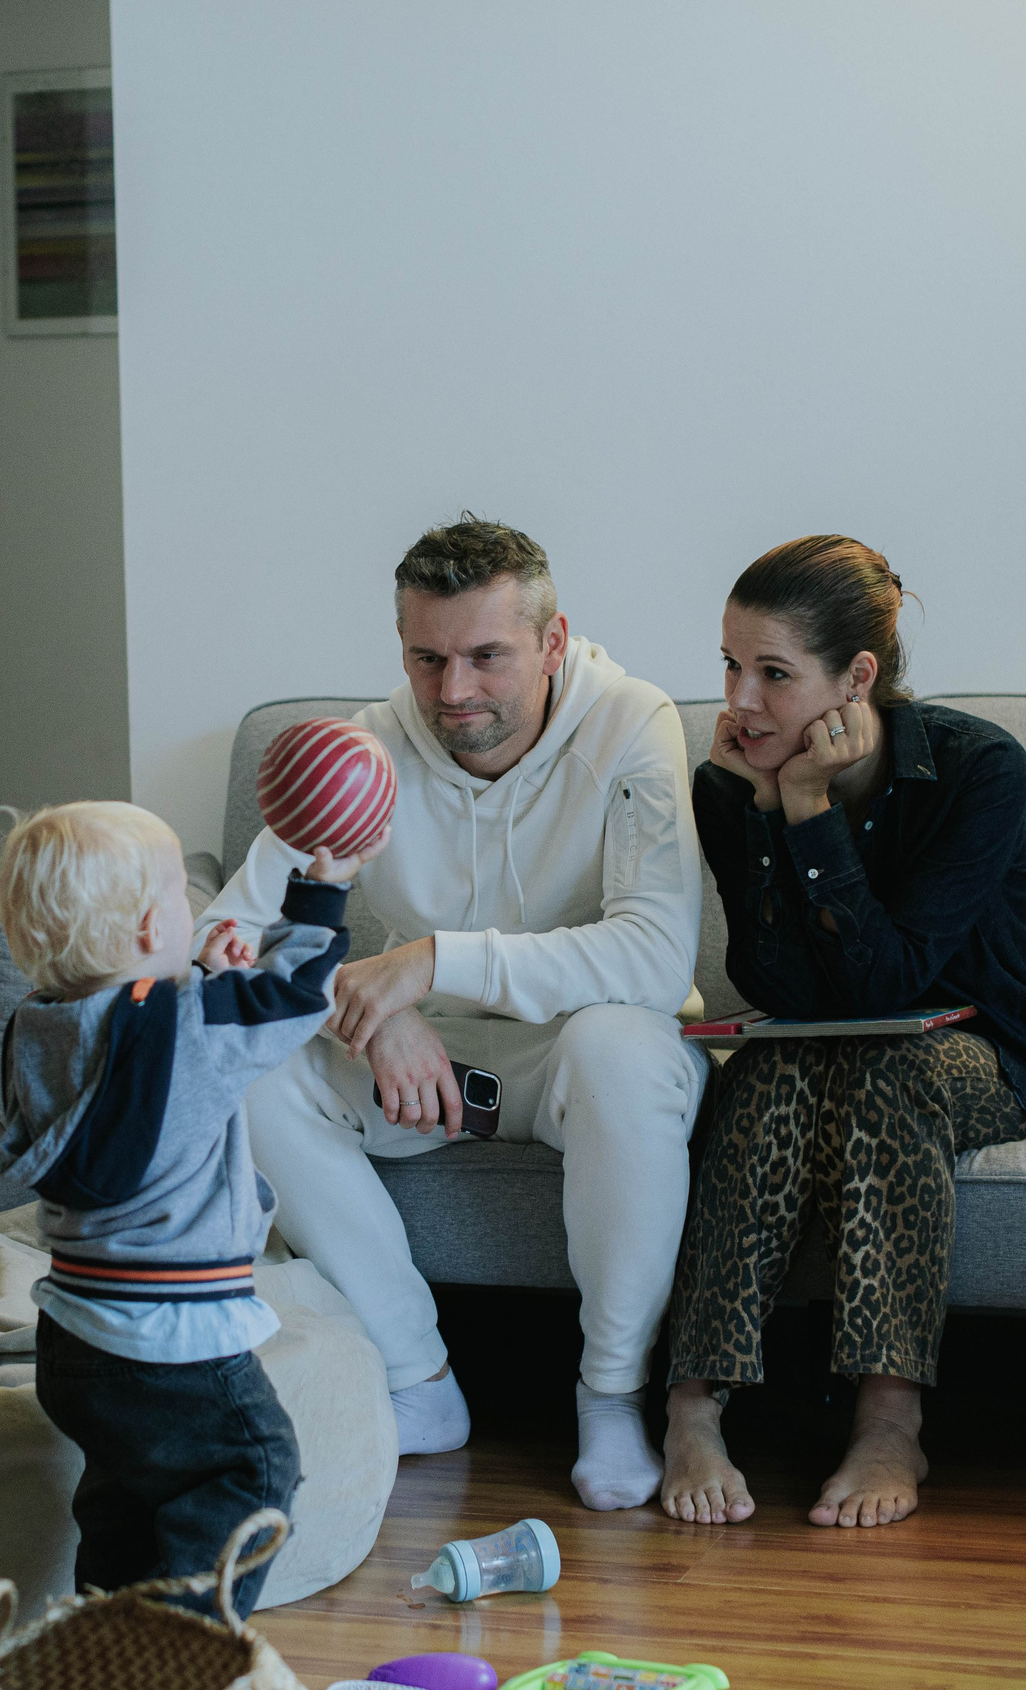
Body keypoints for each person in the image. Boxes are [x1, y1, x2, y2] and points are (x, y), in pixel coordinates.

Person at [659, 535, 1026, 1530]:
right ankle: (693, 1403)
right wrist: (763, 810)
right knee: (759, 1076)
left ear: (856, 678)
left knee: (887, 1071)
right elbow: (773, 982)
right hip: (837, 1043)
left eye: (773, 673)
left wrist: (806, 811)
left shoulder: (978, 767)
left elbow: (892, 978)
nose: (739, 701)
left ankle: (890, 1418)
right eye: (729, 665)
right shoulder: (727, 781)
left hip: (1000, 1042)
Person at [200, 517, 706, 1512]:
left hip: (581, 1059)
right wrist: (366, 1005)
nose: (453, 691)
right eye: (426, 658)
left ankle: (611, 1395)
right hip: (428, 1072)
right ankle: (416, 1379)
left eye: (486, 656)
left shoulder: (632, 721)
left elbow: (653, 957)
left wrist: (431, 960)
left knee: (620, 1045)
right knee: (245, 1061)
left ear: (553, 642)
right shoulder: (362, 749)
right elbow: (223, 938)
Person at [0, 799, 376, 1610]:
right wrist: (323, 887)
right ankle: (178, 1646)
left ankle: (104, 1634)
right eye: (178, 891)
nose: (192, 905)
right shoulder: (192, 1030)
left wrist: (199, 978)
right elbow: (294, 994)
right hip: (171, 1340)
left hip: (74, 1339)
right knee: (255, 1468)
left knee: (128, 1493)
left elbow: (133, 1044)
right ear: (145, 928)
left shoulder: (35, 1027)